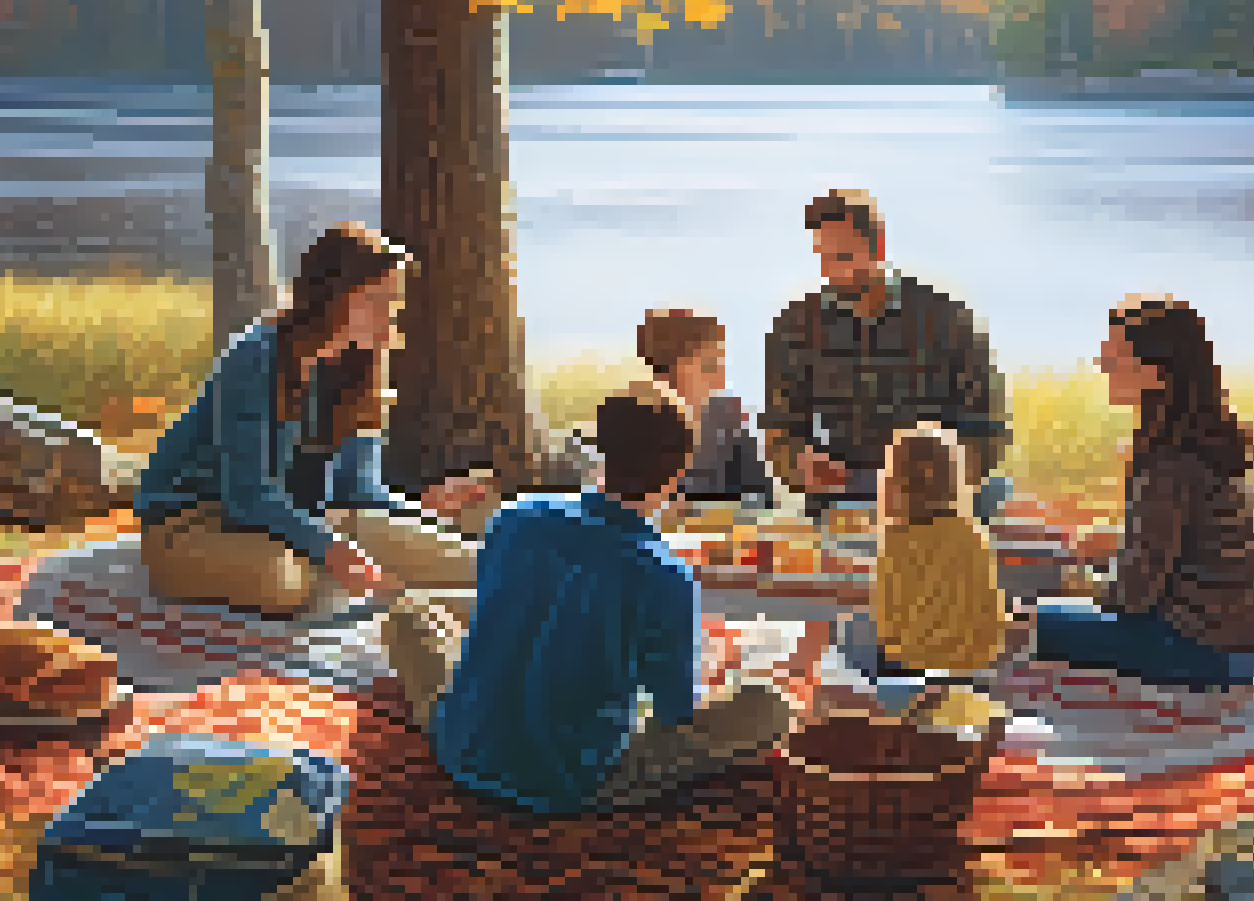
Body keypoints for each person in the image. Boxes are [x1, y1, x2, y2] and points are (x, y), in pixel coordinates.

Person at [379, 378, 801, 815]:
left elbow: (495, 610)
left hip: (462, 748)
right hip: (572, 781)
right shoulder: (666, 576)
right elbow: (675, 714)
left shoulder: (513, 517)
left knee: (408, 614)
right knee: (770, 706)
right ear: (678, 472)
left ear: (598, 447)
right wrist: (711, 667)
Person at [133, 223, 491, 620]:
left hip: (286, 518)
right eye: (377, 301)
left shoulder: (361, 366)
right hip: (192, 522)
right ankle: (403, 603)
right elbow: (246, 493)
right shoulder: (257, 357)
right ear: (333, 297)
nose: (390, 316)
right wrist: (330, 547)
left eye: (395, 302)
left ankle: (438, 591)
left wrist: (424, 508)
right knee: (284, 580)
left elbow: (355, 488)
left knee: (460, 559)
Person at [1024, 295, 1254, 696]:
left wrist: (1072, 584)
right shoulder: (1202, 441)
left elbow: (1131, 598)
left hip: (1198, 653)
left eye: (1115, 355)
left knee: (1020, 624)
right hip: (1235, 651)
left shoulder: (1167, 460)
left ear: (1157, 374)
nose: (1100, 364)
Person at [763, 190, 1011, 529]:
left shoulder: (945, 318)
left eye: (844, 256)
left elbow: (989, 429)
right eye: (824, 258)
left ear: (877, 246)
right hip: (844, 499)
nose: (834, 272)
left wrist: (932, 485)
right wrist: (799, 465)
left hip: (937, 504)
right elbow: (780, 431)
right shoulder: (795, 326)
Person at [831, 423, 1010, 713]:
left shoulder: (894, 540)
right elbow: (991, 612)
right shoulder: (974, 534)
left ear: (893, 481)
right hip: (970, 671)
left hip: (909, 667)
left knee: (850, 635)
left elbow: (888, 622)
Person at [635, 308, 774, 519]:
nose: (721, 377)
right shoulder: (635, 422)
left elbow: (762, 498)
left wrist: (697, 512)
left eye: (721, 363)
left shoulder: (726, 418)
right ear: (666, 370)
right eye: (709, 366)